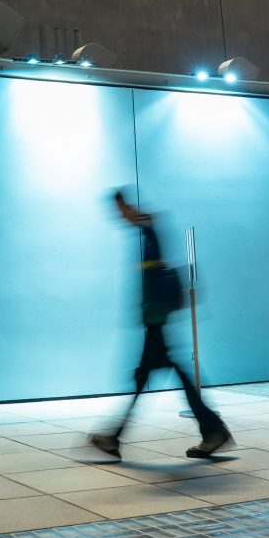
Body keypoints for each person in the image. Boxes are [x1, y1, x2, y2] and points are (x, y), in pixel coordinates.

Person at [90, 191, 234, 460]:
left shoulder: (148, 231)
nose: (120, 216)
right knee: (155, 376)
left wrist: (151, 316)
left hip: (156, 322)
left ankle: (114, 437)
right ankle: (213, 429)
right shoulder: (146, 232)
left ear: (128, 207)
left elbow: (155, 277)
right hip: (156, 322)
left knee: (146, 377)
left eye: (121, 210)